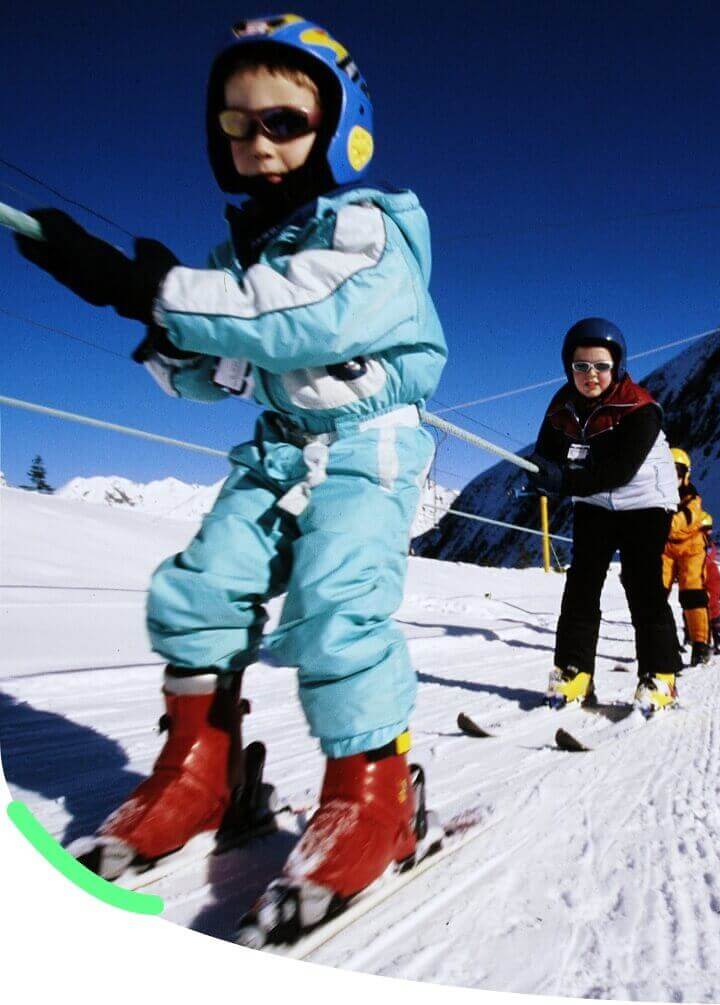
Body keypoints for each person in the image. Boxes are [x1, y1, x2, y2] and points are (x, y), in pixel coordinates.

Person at [15, 14, 447, 942]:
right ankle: (198, 775)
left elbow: (306, 315)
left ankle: (376, 795)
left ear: (340, 127)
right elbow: (222, 369)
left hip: (368, 442)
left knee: (338, 600)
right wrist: (154, 326)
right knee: (201, 585)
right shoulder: (239, 253)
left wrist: (151, 291)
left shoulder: (371, 223)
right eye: (236, 125)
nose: (258, 144)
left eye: (284, 122)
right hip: (284, 445)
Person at [527, 317, 682, 715]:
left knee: (641, 580)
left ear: (617, 366)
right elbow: (547, 453)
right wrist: (537, 475)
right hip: (595, 501)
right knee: (582, 581)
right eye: (581, 366)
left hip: (645, 499)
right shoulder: (561, 406)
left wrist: (562, 480)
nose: (590, 375)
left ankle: (660, 675)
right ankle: (574, 670)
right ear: (569, 368)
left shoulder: (641, 409)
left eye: (600, 366)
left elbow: (619, 471)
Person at [662, 449, 711, 666]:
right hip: (665, 548)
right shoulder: (656, 496)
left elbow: (681, 522)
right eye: (667, 470)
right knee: (655, 594)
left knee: (692, 594)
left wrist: (655, 523)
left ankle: (700, 644)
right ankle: (661, 642)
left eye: (677, 471)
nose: (673, 476)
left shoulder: (692, 499)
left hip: (691, 548)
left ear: (685, 474)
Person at [700, 512, 720, 655]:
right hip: (703, 574)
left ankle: (714, 638)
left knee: (709, 605)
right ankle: (712, 638)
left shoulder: (706, 544)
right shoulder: (706, 543)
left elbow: (708, 558)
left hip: (707, 575)